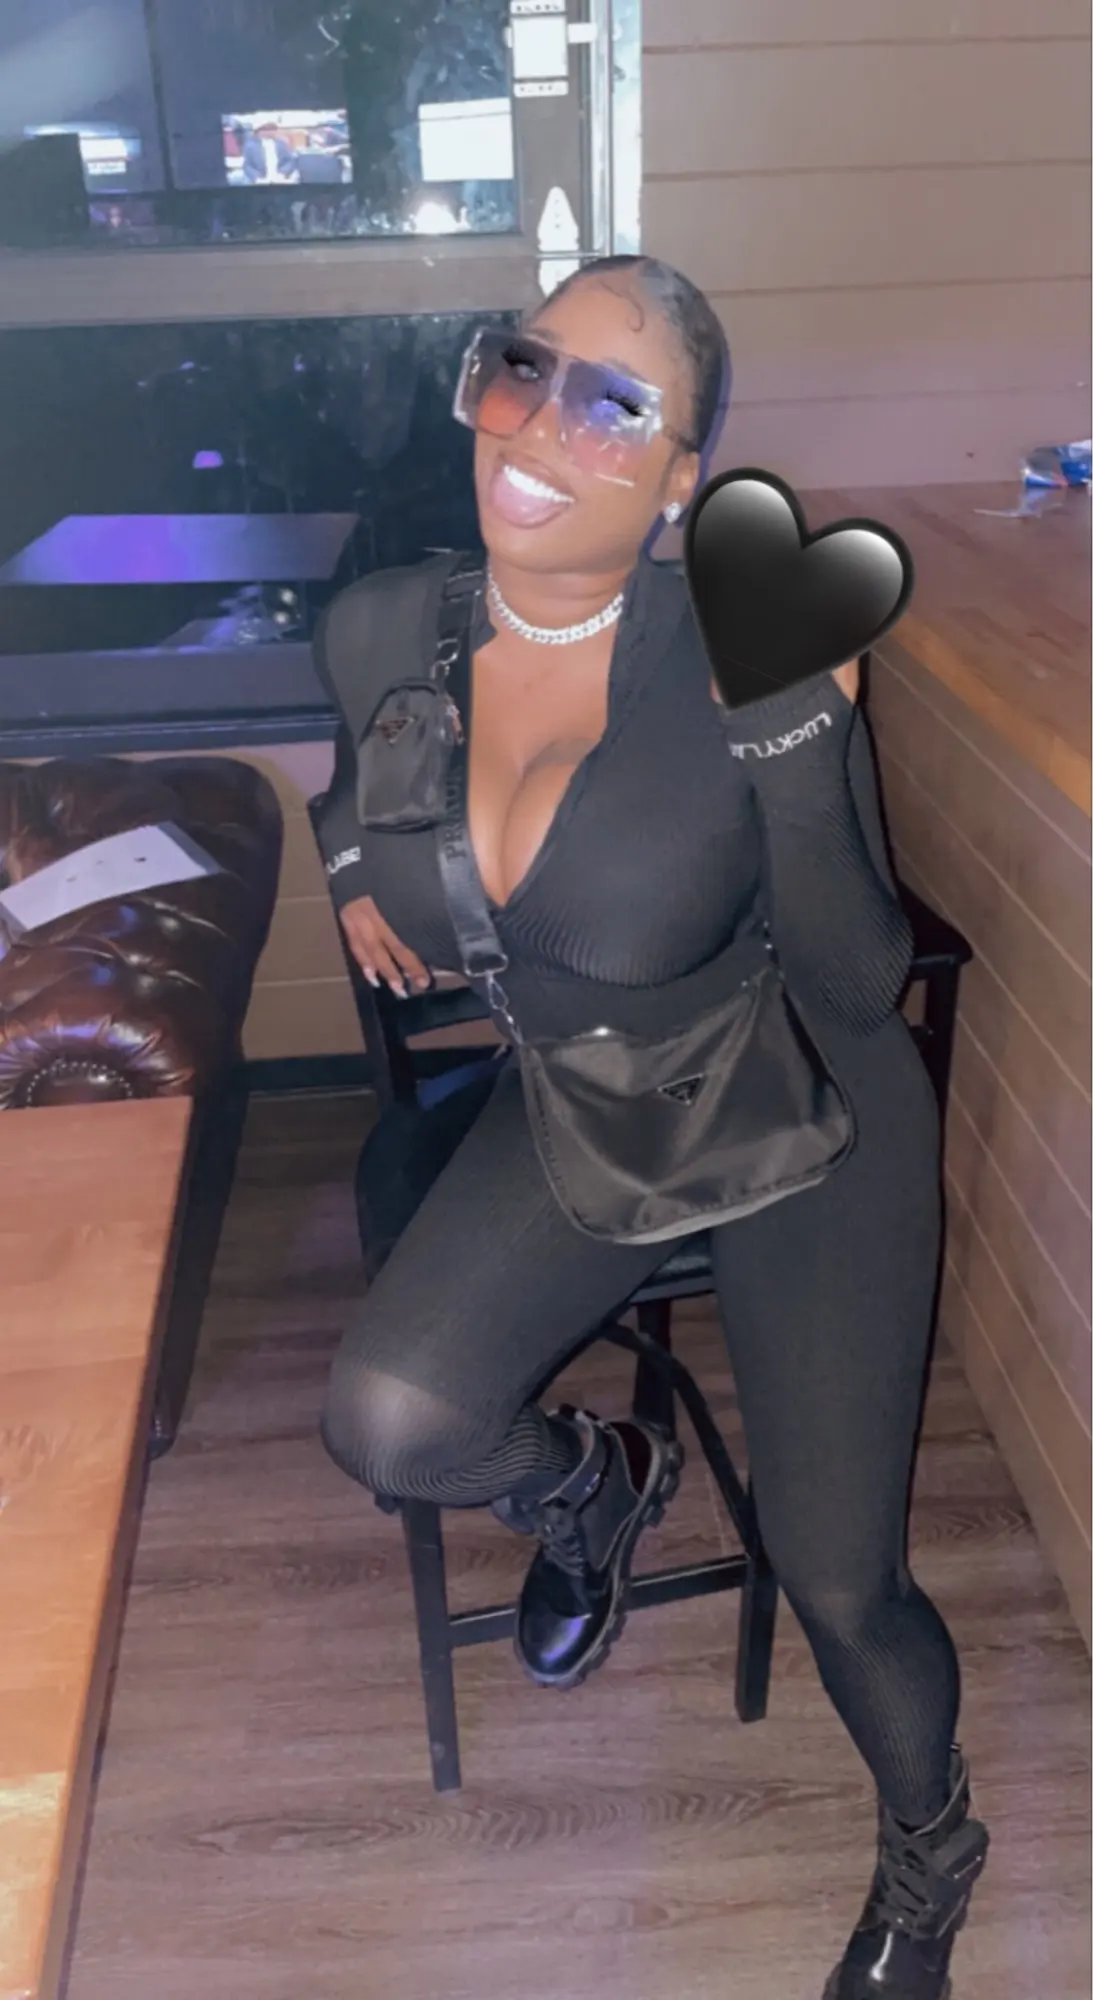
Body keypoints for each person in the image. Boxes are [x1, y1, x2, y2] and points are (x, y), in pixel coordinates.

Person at [312, 255, 989, 1999]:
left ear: (684, 477)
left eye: (615, 406)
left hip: (804, 1105)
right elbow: (349, 784)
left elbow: (861, 982)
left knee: (841, 1582)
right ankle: (597, 1485)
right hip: (589, 1096)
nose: (545, 425)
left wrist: (794, 737)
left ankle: (932, 1859)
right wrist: (354, 869)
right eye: (524, 369)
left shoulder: (743, 645)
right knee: (391, 1420)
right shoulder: (382, 623)